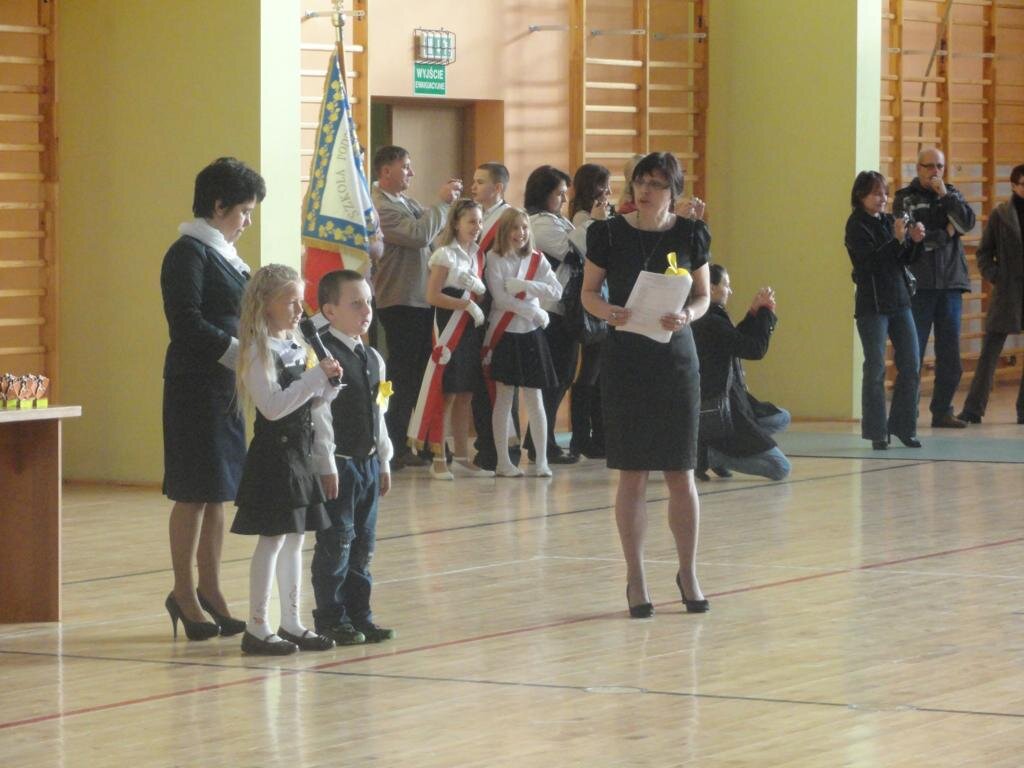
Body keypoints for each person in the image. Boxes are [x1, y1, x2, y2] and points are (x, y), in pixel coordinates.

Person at [581, 151, 711, 618]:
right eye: (640, 181)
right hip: (627, 360)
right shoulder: (608, 233)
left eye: (656, 184)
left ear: (673, 191)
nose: (645, 190)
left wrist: (687, 315)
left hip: (676, 361)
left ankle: (688, 572)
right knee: (632, 473)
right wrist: (607, 312)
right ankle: (635, 577)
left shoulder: (691, 233)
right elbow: (588, 293)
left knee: (681, 472)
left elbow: (703, 296)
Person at [160, 157, 265, 641]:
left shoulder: (226, 255)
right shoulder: (187, 253)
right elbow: (185, 322)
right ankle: (183, 592)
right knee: (192, 492)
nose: (247, 222)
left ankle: (211, 590)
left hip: (225, 386)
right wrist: (238, 352)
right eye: (244, 211)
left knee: (219, 490)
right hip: (194, 385)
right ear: (218, 206)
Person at [230, 264, 340, 655]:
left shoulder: (297, 345)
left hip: (299, 453)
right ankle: (257, 625)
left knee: (296, 539)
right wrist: (313, 380)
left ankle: (291, 621)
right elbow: (273, 407)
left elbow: (308, 403)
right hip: (274, 457)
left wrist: (327, 387)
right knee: (273, 538)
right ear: (266, 304)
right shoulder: (256, 350)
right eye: (290, 302)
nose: (299, 310)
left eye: (300, 301)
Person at [311, 270, 396, 645]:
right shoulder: (324, 357)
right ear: (330, 311)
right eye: (356, 303)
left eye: (369, 302)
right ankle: (331, 617)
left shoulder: (373, 357)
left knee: (363, 545)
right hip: (341, 464)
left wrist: (384, 460)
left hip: (368, 464)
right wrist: (326, 463)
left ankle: (360, 615)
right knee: (337, 543)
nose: (366, 311)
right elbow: (320, 416)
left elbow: (380, 412)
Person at [371, 145, 462, 469]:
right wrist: (442, 204)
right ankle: (392, 444)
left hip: (420, 299)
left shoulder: (404, 202)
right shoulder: (380, 206)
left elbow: (433, 232)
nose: (411, 173)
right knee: (400, 377)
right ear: (386, 171)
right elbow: (420, 234)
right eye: (405, 167)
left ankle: (419, 441)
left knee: (424, 376)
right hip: (399, 301)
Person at [893, 147, 976, 429]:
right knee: (912, 353)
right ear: (918, 168)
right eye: (929, 166)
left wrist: (945, 198)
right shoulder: (905, 198)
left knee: (950, 355)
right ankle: (907, 414)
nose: (935, 171)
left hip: (951, 284)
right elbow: (912, 239)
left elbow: (967, 223)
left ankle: (942, 411)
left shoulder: (951, 195)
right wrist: (946, 233)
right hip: (919, 287)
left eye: (940, 166)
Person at [410, 199, 492, 479]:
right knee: (447, 393)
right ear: (456, 223)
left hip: (469, 329)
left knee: (466, 393)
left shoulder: (478, 254)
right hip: (448, 327)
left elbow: (479, 293)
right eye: (471, 221)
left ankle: (462, 456)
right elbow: (432, 296)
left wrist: (478, 292)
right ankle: (438, 458)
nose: (476, 227)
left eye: (479, 221)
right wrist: (466, 304)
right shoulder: (445, 254)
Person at [846, 170, 927, 450]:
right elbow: (869, 264)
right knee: (876, 367)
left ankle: (904, 427)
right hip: (873, 306)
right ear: (861, 196)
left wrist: (914, 241)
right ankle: (877, 431)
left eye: (885, 193)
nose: (882, 199)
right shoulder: (856, 225)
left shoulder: (888, 220)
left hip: (900, 301)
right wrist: (896, 239)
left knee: (911, 364)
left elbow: (903, 259)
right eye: (876, 193)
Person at [691, 265, 790, 481]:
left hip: (733, 400)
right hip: (721, 405)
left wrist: (754, 313)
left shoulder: (711, 317)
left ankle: (719, 447)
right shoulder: (710, 321)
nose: (730, 290)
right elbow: (754, 349)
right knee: (780, 468)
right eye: (726, 285)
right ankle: (709, 456)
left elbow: (735, 341)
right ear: (711, 288)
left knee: (781, 417)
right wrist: (765, 314)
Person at [484, 208, 563, 477]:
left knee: (535, 398)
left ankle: (541, 461)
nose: (521, 233)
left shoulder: (537, 258)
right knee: (504, 398)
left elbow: (556, 290)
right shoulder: (493, 258)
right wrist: (534, 311)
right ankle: (503, 462)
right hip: (505, 333)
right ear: (505, 231)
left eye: (525, 228)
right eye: (515, 228)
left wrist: (527, 285)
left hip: (530, 334)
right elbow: (500, 299)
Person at [959, 165, 1024, 424]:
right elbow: (984, 252)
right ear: (1014, 186)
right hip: (1007, 291)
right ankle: (973, 409)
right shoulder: (1001, 214)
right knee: (989, 352)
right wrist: (997, 276)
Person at [525, 165, 581, 465]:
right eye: (559, 193)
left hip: (563, 309)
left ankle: (537, 439)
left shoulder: (557, 220)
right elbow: (574, 253)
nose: (563, 199)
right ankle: (541, 444)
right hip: (550, 310)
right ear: (543, 194)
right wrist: (591, 224)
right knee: (553, 378)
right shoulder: (539, 223)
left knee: (564, 375)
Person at [470, 162, 517, 469]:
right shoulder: (474, 216)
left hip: (499, 308)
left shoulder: (509, 218)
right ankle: (486, 446)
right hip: (476, 306)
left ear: (498, 188)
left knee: (499, 381)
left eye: (480, 181)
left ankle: (503, 449)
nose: (473, 187)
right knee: (479, 381)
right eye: (474, 181)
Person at [567, 163, 612, 458]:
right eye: (601, 185)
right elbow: (590, 250)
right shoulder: (583, 217)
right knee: (590, 373)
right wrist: (599, 222)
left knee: (598, 372)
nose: (607, 191)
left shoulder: (599, 214)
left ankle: (599, 435)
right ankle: (582, 436)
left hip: (605, 298)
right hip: (592, 301)